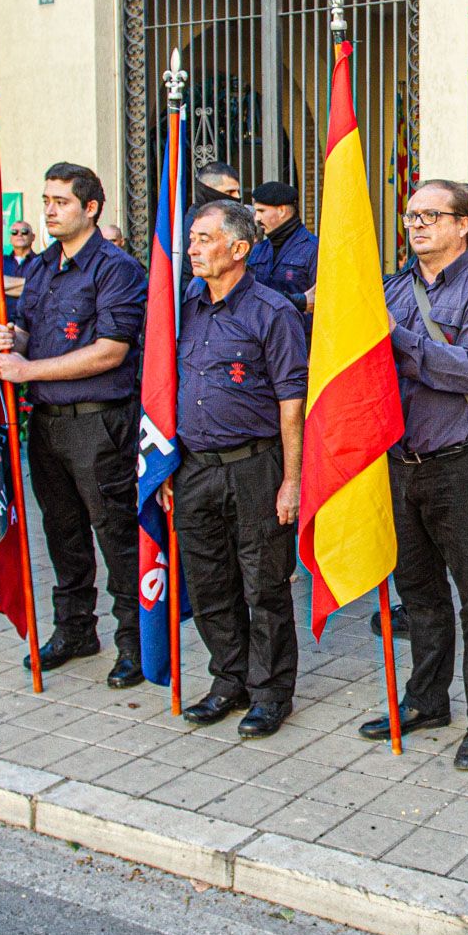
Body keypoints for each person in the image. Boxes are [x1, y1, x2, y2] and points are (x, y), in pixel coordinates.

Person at [358, 179, 468, 771]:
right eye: (410, 215)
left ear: (463, 225)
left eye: (431, 215)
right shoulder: (393, 289)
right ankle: (427, 702)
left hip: (459, 464)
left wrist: (393, 339)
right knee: (418, 594)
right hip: (397, 465)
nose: (417, 224)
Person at [0, 163, 149, 687]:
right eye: (47, 200)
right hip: (47, 422)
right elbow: (31, 331)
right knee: (62, 532)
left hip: (98, 423)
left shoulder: (116, 269)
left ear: (91, 208)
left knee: (115, 534)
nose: (50, 210)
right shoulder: (40, 267)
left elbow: (110, 351)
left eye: (61, 201)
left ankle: (134, 640)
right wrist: (10, 341)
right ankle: (75, 628)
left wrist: (27, 368)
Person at [174, 201, 308, 739]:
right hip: (194, 469)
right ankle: (228, 680)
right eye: (191, 238)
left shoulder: (273, 312)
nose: (192, 248)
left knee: (264, 585)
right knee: (209, 581)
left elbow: (291, 403)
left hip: (255, 466)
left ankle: (272, 691)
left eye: (204, 238)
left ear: (238, 249)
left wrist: (292, 480)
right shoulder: (184, 304)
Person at [246, 180, 318, 319]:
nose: (257, 218)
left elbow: (323, 301)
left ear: (282, 211)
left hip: (301, 336)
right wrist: (299, 301)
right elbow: (249, 295)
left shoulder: (313, 250)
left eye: (261, 211)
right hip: (265, 335)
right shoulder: (259, 250)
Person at [2, 219, 37, 318]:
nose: (19, 234)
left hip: (32, 324)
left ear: (33, 237)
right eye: (14, 232)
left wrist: (7, 285)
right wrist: (32, 284)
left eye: (24, 232)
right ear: (10, 238)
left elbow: (43, 288)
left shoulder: (42, 262)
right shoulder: (0, 263)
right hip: (5, 323)